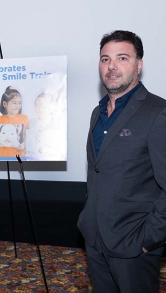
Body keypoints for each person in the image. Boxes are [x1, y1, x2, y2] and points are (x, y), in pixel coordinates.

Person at [77, 30, 166, 292]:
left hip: (133, 244)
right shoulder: (98, 112)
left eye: (122, 58)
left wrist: (149, 238)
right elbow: (99, 171)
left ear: (139, 65)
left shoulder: (158, 113)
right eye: (105, 59)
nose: (111, 66)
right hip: (94, 238)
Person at [0, 86, 29, 156]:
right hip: (4, 158)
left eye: (20, 103)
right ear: (4, 104)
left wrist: (24, 146)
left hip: (20, 158)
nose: (18, 106)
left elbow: (29, 138)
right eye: (14, 103)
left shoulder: (25, 119)